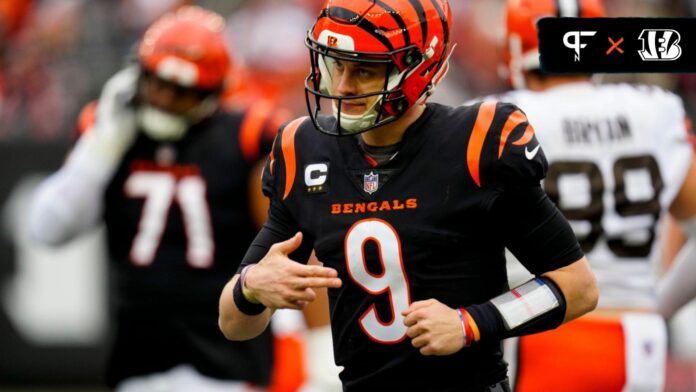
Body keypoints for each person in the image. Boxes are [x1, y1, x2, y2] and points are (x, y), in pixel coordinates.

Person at [218, 0, 598, 391]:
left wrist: (471, 323)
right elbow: (233, 323)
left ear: (418, 68)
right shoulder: (304, 149)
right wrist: (250, 288)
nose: (343, 86)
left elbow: (577, 287)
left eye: (364, 69)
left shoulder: (474, 144)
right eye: (336, 64)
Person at [29, 6, 282, 391]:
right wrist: (102, 145)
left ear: (212, 91)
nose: (163, 97)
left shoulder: (248, 134)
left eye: (180, 90)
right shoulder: (111, 131)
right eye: (156, 81)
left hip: (228, 360)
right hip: (138, 358)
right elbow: (48, 229)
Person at [479, 1, 696, 390]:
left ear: (514, 48)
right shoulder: (653, 110)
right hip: (637, 338)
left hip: (539, 326)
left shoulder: (498, 119)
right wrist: (655, 303)